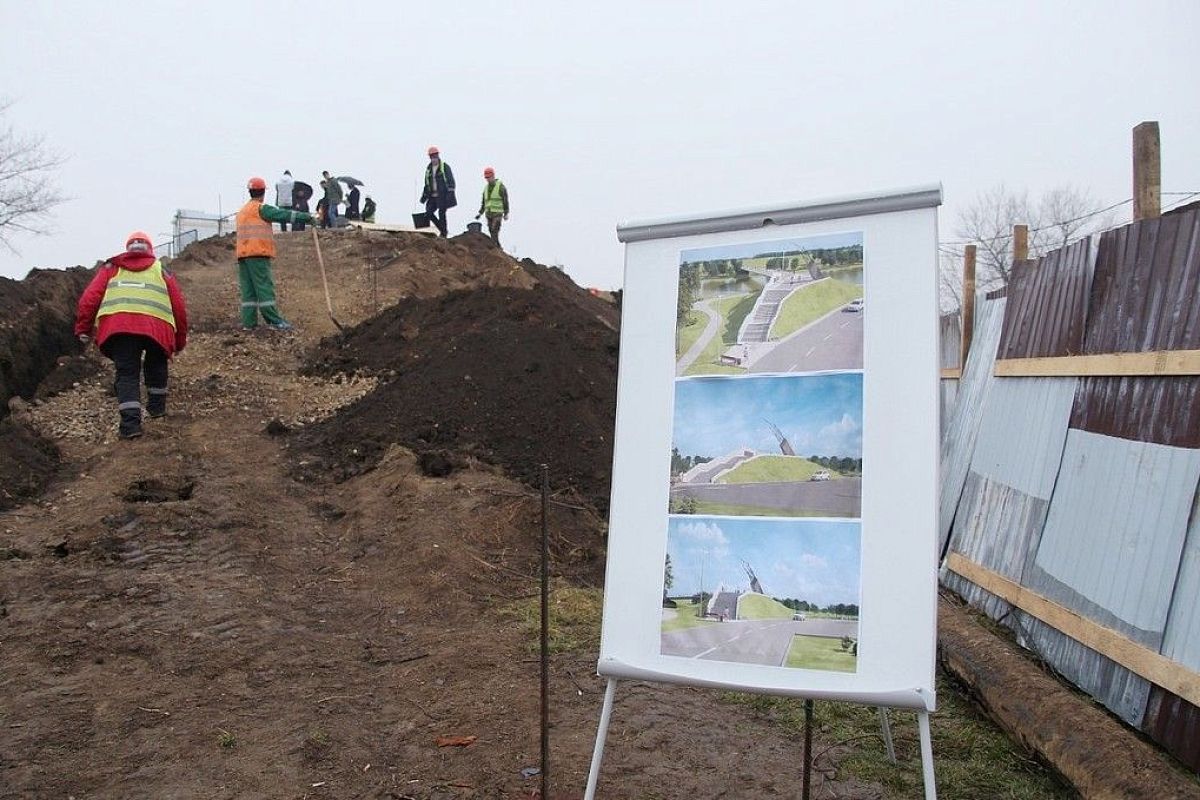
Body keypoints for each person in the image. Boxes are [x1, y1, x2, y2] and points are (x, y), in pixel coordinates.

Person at [74, 231, 188, 440]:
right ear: (150, 250)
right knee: (157, 364)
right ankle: (156, 409)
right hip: (157, 327)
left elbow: (89, 299)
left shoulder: (111, 268)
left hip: (120, 329)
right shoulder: (162, 271)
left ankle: (130, 425)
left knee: (127, 373)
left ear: (128, 248)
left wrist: (83, 328)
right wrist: (179, 340)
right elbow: (179, 307)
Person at [236, 176, 316, 332]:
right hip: (257, 253)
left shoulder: (242, 211)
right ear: (263, 193)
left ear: (250, 192)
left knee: (249, 290)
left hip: (243, 255)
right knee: (264, 287)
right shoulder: (261, 208)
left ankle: (249, 323)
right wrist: (307, 218)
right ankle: (274, 321)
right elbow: (283, 215)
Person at [419, 146, 456, 236]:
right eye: (432, 156)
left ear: (438, 156)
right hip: (432, 196)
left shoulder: (444, 167)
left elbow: (451, 181)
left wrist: (450, 194)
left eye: (435, 156)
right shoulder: (429, 169)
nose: (434, 158)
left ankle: (443, 233)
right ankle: (443, 229)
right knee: (428, 213)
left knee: (441, 213)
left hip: (442, 195)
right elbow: (427, 184)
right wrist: (423, 197)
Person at [475, 166, 509, 247]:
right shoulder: (486, 189)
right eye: (486, 178)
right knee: (491, 231)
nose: (488, 179)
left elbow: (505, 200)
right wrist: (480, 213)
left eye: (489, 177)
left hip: (497, 214)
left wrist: (506, 212)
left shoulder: (500, 187)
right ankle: (497, 247)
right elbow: (484, 203)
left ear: (493, 176)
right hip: (489, 214)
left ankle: (495, 248)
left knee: (494, 230)